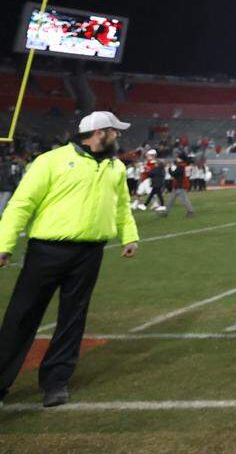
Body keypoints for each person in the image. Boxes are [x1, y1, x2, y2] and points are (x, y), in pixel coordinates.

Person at [0, 111, 139, 406]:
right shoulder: (51, 161)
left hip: (90, 253)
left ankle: (56, 382)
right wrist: (4, 244)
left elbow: (122, 205)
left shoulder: (115, 167)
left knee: (73, 319)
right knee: (22, 316)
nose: (119, 136)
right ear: (100, 132)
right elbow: (21, 204)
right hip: (47, 251)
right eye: (116, 131)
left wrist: (129, 236)